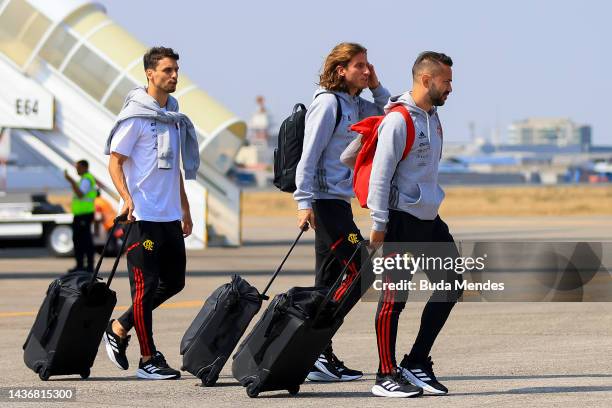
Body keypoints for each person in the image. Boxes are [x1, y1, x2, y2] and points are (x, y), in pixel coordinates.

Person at [367, 51, 464, 398]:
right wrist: (379, 224)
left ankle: (417, 361)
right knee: (394, 298)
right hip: (401, 222)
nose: (451, 87)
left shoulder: (433, 117)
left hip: (429, 219)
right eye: (447, 80)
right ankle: (385, 374)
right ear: (426, 79)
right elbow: (380, 176)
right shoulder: (398, 120)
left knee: (452, 283)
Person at [294, 42, 391, 382]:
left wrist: (376, 85)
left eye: (368, 65)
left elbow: (391, 113)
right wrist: (303, 202)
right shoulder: (328, 105)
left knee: (327, 282)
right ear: (341, 70)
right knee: (362, 271)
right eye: (360, 66)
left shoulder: (356, 104)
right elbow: (308, 156)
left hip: (339, 202)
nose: (366, 71)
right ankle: (316, 344)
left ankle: (317, 354)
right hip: (324, 203)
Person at [101, 46, 200, 380]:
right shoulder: (136, 117)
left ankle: (119, 326)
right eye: (168, 71)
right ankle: (147, 359)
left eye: (175, 70)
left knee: (174, 283)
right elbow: (115, 161)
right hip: (141, 217)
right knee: (144, 289)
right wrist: (126, 198)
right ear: (150, 74)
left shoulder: (171, 116)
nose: (174, 76)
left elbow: (174, 170)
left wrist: (185, 210)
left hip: (169, 215)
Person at [64, 160, 97, 273]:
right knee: (80, 240)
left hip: (84, 215)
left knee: (84, 240)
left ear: (84, 167)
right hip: (81, 215)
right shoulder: (84, 179)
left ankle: (86, 266)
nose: (76, 170)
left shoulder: (87, 179)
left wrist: (71, 181)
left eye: (78, 167)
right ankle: (82, 265)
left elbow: (80, 194)